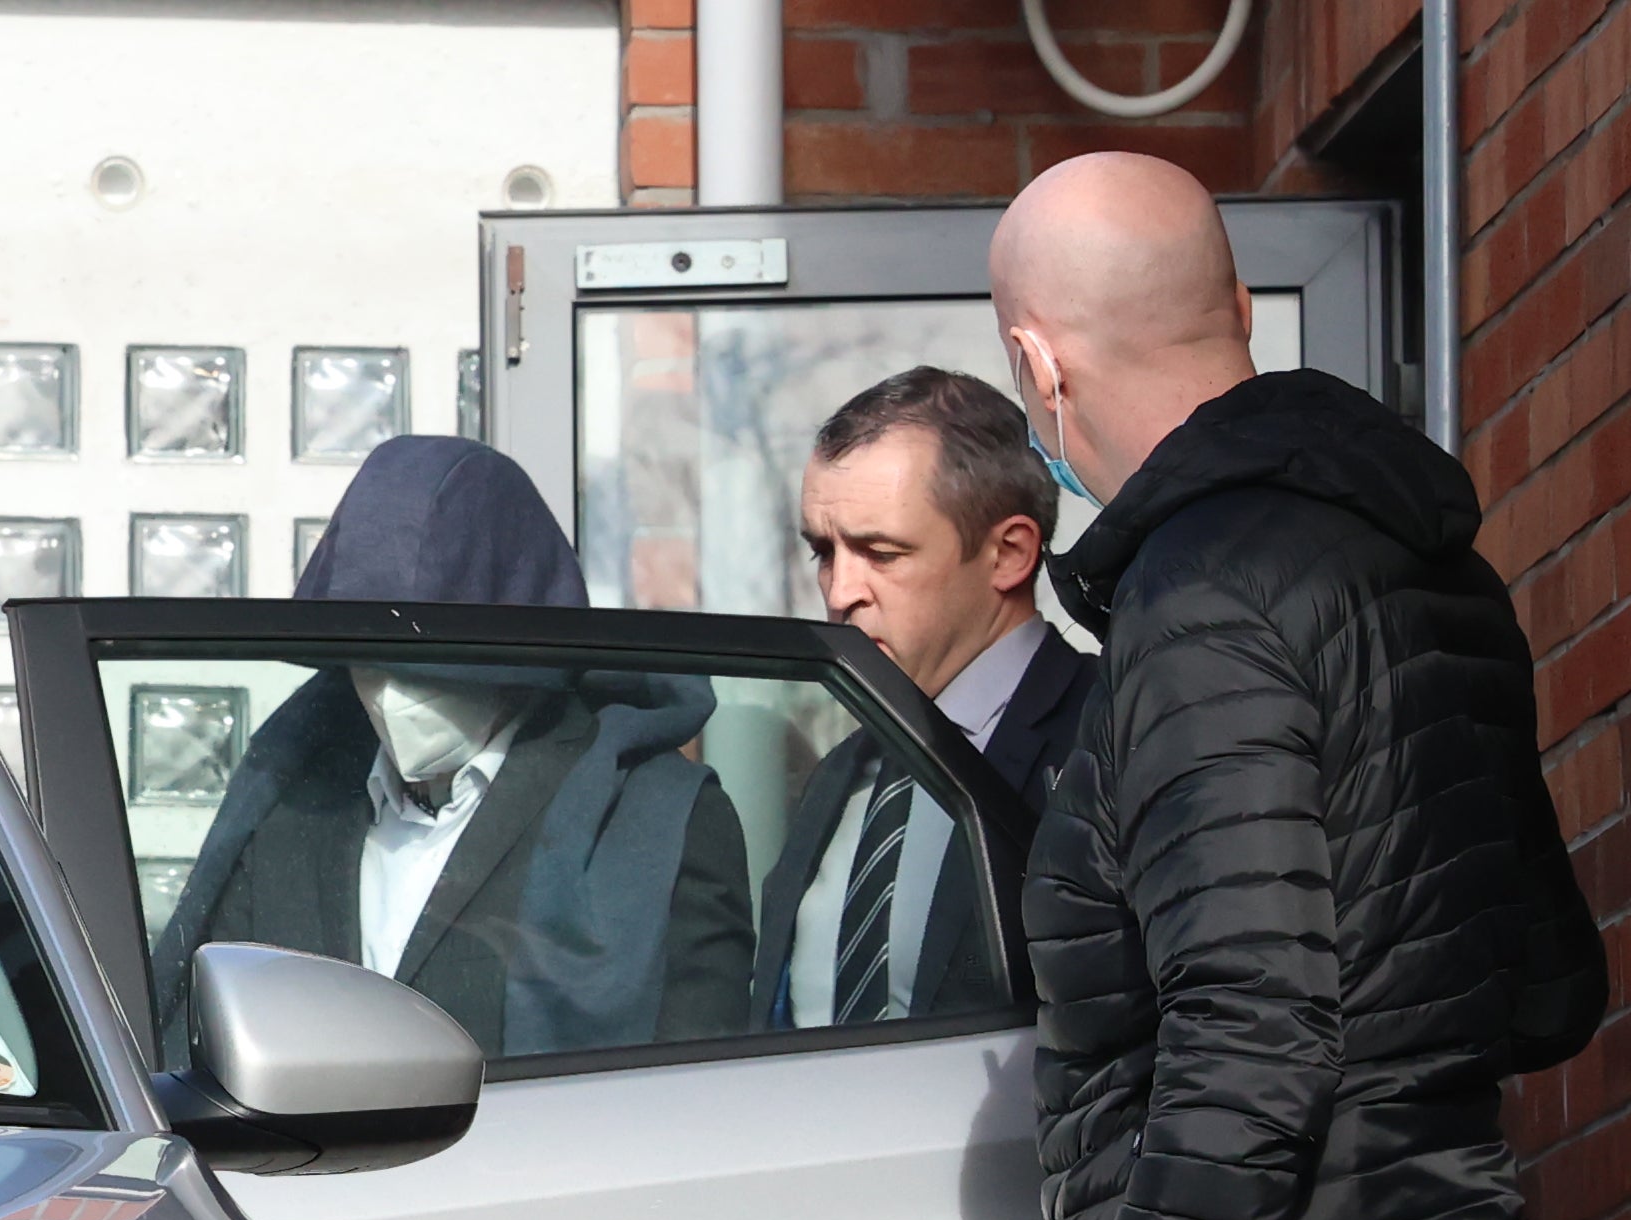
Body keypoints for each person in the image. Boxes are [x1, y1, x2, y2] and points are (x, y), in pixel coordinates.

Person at [991, 153, 1608, 1220]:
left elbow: (1252, 1019)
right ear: (1240, 317)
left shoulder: (1196, 613)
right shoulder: (1420, 572)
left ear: (1040, 367)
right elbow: (1547, 976)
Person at [151, 435, 754, 1058]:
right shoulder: (292, 808)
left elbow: (696, 1091)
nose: (388, 694)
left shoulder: (659, 818)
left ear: (515, 657)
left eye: (422, 662)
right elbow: (209, 1041)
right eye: (365, 659)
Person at [748, 367, 1097, 1029]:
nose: (840, 589)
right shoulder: (845, 771)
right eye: (824, 551)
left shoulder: (1106, 742)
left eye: (881, 552)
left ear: (1009, 553)